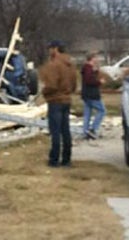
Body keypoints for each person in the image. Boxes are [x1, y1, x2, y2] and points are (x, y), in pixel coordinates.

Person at [38, 40, 78, 168]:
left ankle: (54, 160)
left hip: (55, 101)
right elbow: (74, 85)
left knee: (55, 132)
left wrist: (44, 92)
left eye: (50, 48)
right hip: (66, 100)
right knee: (65, 131)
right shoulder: (70, 64)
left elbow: (51, 85)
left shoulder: (54, 65)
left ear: (55, 49)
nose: (49, 51)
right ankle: (66, 160)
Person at [80, 52, 106, 140]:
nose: (98, 59)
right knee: (102, 111)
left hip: (86, 94)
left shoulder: (88, 68)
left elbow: (89, 77)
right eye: (96, 57)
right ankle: (93, 129)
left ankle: (85, 132)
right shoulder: (88, 68)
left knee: (87, 113)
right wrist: (99, 82)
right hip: (92, 94)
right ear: (92, 58)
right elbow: (88, 81)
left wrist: (96, 71)